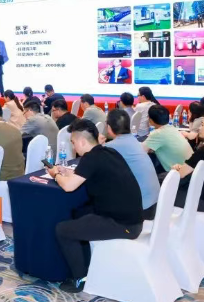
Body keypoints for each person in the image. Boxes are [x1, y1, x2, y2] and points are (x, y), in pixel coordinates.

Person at [50, 119, 143, 293]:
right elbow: (90, 173)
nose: (73, 146)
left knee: (62, 230)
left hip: (124, 225)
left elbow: (68, 186)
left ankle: (79, 278)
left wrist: (56, 174)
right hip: (130, 217)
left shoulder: (90, 158)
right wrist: (68, 172)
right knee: (79, 212)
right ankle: (86, 262)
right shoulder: (108, 152)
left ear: (81, 142)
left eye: (73, 142)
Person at [104, 109, 160, 219]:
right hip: (155, 203)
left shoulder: (111, 147)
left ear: (109, 127)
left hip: (141, 209)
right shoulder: (134, 140)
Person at [142, 104, 193, 171]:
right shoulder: (171, 127)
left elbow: (141, 151)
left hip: (179, 173)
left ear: (150, 120)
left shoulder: (158, 133)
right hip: (191, 168)